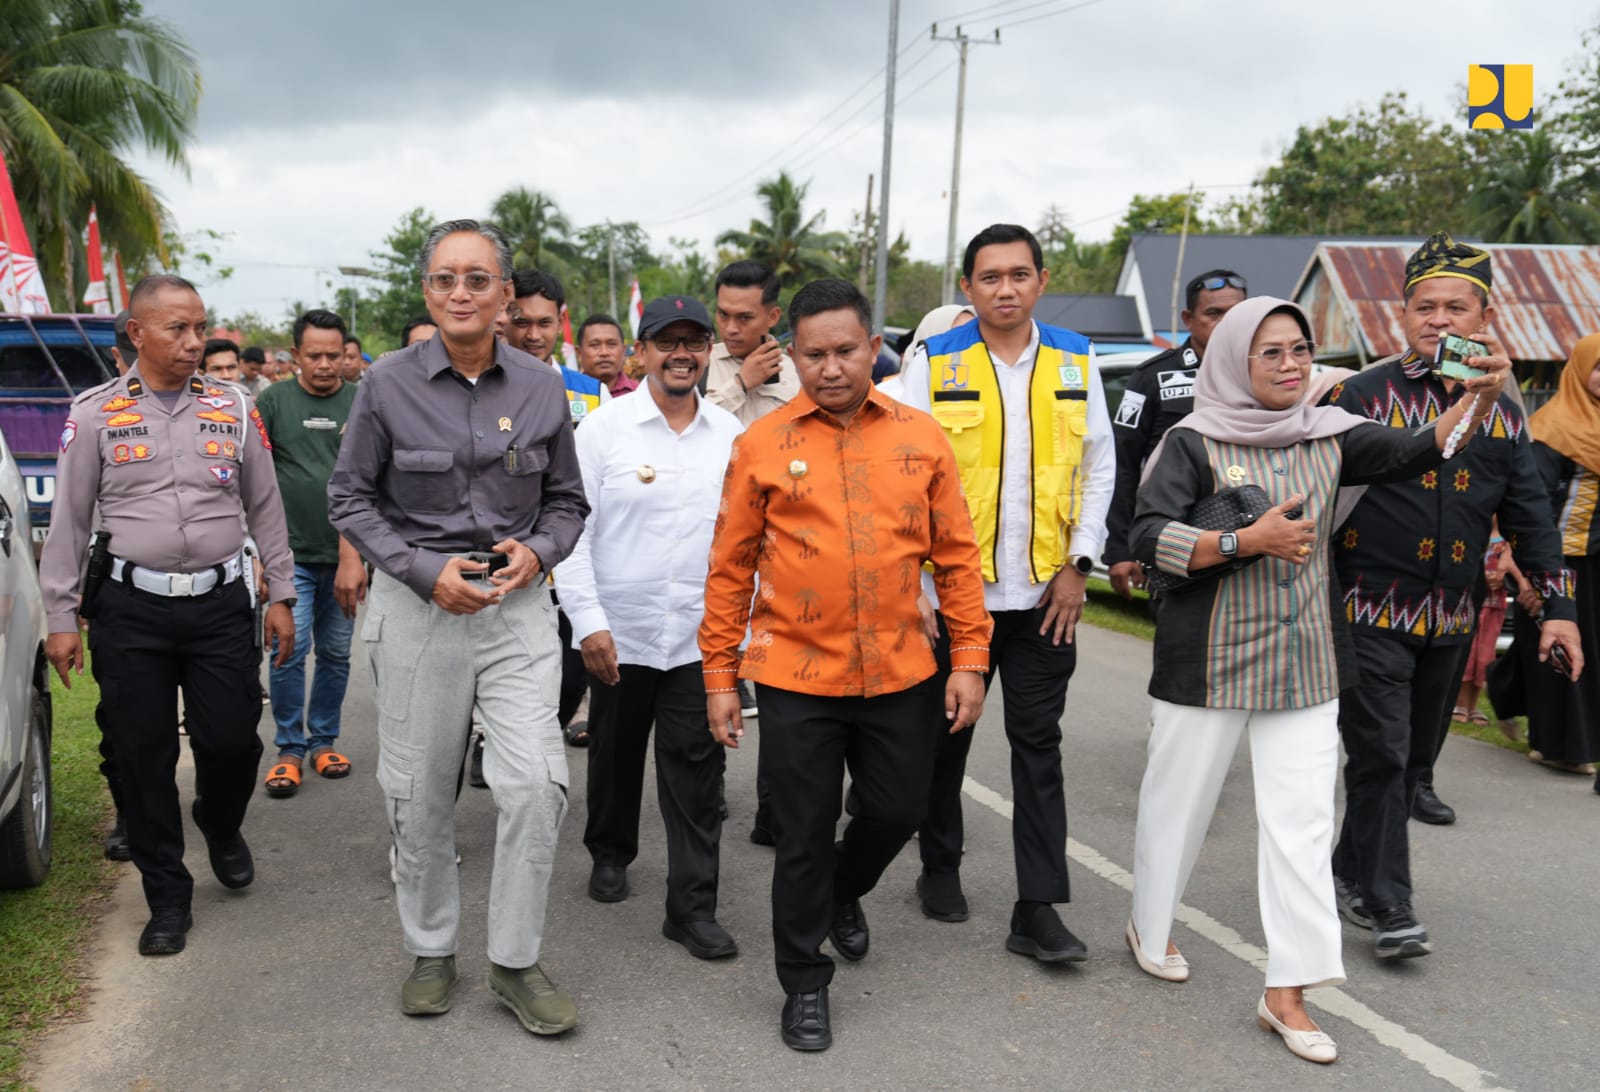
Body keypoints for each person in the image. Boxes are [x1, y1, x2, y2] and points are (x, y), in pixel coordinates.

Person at [1128, 296, 1509, 1065]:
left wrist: (1480, 396)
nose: (1290, 365)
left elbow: (1423, 448)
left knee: (1300, 824)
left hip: (1304, 659)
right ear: (1235, 359)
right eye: (1270, 352)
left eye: (1300, 350)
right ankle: (1150, 918)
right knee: (1179, 803)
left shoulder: (1331, 432)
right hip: (1209, 658)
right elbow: (1147, 536)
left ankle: (1287, 992)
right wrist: (1244, 540)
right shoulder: (1192, 440)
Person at [700, 277, 990, 1052]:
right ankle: (803, 980)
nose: (831, 368)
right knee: (801, 830)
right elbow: (729, 569)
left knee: (899, 809)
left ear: (873, 348)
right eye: (814, 354)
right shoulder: (759, 445)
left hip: (901, 668)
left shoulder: (921, 437)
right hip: (795, 675)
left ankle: (840, 889)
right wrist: (720, 677)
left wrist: (969, 659)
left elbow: (957, 558)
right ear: (793, 355)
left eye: (846, 351)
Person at [328, 219, 588, 1034]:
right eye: (445, 279)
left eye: (478, 279)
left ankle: (514, 961)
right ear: (427, 291)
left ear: (506, 294)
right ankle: (431, 949)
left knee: (536, 785)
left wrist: (539, 552)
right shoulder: (386, 384)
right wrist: (418, 569)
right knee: (418, 793)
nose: (461, 293)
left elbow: (567, 502)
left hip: (514, 610)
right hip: (419, 610)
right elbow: (349, 499)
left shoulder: (542, 387)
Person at [1325, 233, 1582, 956]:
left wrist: (1558, 611)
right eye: (1424, 306)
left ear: (1484, 316)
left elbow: (1531, 518)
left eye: (1456, 307)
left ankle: (1349, 871)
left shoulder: (1505, 413)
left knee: (1410, 764)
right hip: (1365, 610)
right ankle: (1391, 905)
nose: (1439, 320)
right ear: (1402, 313)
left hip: (1450, 620)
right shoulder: (1360, 395)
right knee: (1380, 754)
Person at [40, 273, 296, 957]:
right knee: (142, 754)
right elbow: (68, 521)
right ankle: (168, 896)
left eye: (199, 327)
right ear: (137, 333)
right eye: (177, 328)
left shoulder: (233, 406)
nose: (193, 341)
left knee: (232, 741)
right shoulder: (96, 413)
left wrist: (281, 594)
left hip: (220, 604)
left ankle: (220, 821)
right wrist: (60, 616)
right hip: (130, 610)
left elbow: (265, 505)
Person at [893, 223, 1113, 955]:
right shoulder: (934, 361)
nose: (1006, 289)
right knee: (945, 740)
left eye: (1020, 274)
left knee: (1038, 748)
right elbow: (905, 475)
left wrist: (1080, 564)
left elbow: (1100, 467)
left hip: (1047, 598)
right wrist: (916, 583)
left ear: (1041, 281)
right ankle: (939, 866)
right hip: (957, 599)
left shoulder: (1078, 358)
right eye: (990, 277)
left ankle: (1038, 907)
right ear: (968, 287)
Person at [555, 294, 744, 956]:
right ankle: (610, 851)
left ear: (708, 353)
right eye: (667, 342)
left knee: (697, 768)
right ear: (642, 353)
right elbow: (572, 534)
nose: (681, 354)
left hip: (699, 637)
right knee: (615, 751)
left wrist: (742, 636)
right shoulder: (602, 431)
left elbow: (746, 540)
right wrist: (588, 622)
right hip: (620, 633)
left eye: (694, 342)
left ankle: (691, 908)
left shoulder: (730, 435)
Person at [703, 259, 801, 829]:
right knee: (710, 664)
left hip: (783, 543)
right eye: (723, 314)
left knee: (777, 675)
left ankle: (775, 805)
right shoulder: (701, 364)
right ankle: (707, 786)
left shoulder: (798, 372)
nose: (731, 327)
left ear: (772, 316)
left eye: (745, 317)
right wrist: (739, 385)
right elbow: (691, 434)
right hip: (713, 538)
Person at [256, 309, 365, 799]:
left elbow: (371, 483)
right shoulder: (273, 402)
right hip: (289, 558)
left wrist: (358, 558)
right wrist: (260, 555)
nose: (325, 365)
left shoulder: (361, 402)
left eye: (334, 355)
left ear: (346, 355)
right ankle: (289, 748)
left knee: (337, 653)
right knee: (289, 651)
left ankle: (324, 741)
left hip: (345, 559)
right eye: (314, 355)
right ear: (295, 354)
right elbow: (254, 479)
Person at [498, 268, 605, 767]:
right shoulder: (482, 386)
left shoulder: (590, 393)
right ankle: (496, 746)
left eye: (545, 323)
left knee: (567, 677)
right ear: (504, 318)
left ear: (561, 322)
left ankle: (536, 752)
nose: (533, 335)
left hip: (571, 566)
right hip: (506, 565)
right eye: (521, 322)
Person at [1105, 270, 1247, 596]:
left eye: (1235, 314)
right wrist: (1120, 549)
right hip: (1174, 540)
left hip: (1249, 537)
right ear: (1188, 319)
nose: (1225, 324)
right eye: (1214, 313)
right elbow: (1122, 464)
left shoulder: (1262, 371)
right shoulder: (1152, 377)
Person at [1518, 332, 1600, 785]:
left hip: (1596, 555)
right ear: (1580, 369)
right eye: (1599, 367)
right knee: (1564, 651)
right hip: (1559, 557)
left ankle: (1504, 684)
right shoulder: (1553, 427)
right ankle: (1564, 749)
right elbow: (1533, 507)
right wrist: (1530, 575)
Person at [1452, 526, 1518, 728]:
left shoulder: (1508, 542)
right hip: (1471, 601)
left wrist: (1502, 577)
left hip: (1495, 605)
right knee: (1469, 652)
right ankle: (1460, 703)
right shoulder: (1475, 531)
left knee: (1484, 655)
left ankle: (1473, 706)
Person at [576, 312, 638, 395]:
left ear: (623, 351)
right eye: (595, 345)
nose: (604, 352)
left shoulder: (640, 394)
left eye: (611, 344)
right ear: (579, 353)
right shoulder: (565, 393)